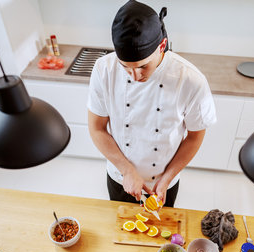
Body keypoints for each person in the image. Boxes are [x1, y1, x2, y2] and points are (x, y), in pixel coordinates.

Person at [87, 0, 216, 207]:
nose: (135, 76)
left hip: (163, 184)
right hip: (120, 178)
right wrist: (127, 171)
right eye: (126, 68)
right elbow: (97, 128)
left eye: (142, 66)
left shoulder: (191, 80)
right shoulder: (104, 70)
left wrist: (167, 178)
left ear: (162, 46)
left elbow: (194, 137)